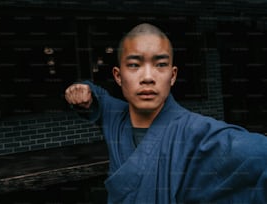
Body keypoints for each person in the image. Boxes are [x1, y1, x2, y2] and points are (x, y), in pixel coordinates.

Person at [65, 23, 267, 203]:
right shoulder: (114, 116)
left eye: (160, 64)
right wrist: (82, 89)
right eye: (134, 65)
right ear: (118, 76)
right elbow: (97, 96)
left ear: (172, 75)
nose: (147, 77)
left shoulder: (196, 131)